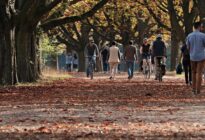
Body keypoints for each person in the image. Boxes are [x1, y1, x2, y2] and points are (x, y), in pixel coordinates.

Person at [186, 21, 205, 94]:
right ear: (199, 27)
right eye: (202, 26)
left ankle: (193, 89)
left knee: (193, 72)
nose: (202, 27)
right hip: (201, 56)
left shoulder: (189, 35)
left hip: (192, 57)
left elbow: (188, 47)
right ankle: (198, 90)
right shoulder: (203, 35)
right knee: (199, 73)